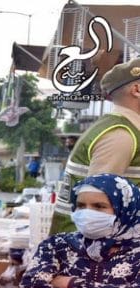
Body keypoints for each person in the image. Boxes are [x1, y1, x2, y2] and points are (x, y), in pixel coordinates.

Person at [21, 174, 140, 288]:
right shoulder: (57, 245)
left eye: (99, 206)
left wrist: (71, 284)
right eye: (81, 206)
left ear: (124, 209)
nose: (87, 213)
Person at [51, 58, 140, 234]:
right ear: (137, 90)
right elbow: (96, 210)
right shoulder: (120, 135)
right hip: (86, 250)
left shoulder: (125, 128)